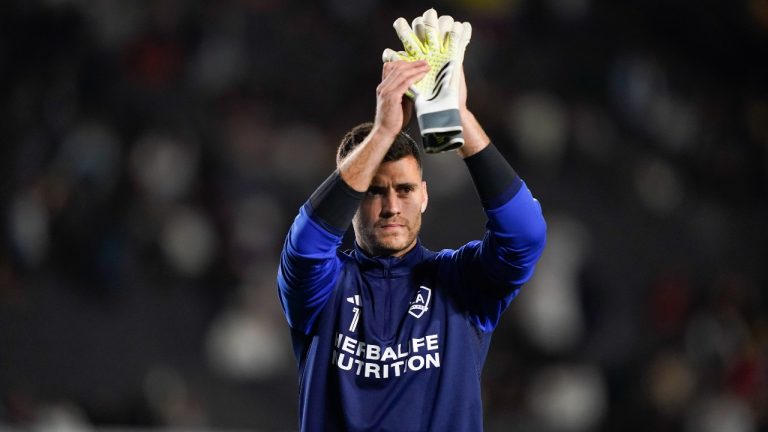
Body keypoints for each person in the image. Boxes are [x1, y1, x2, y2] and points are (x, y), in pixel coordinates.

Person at [277, 57, 547, 431]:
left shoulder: (460, 283)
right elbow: (305, 246)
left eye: (404, 190)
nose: (391, 207)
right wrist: (382, 132)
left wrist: (460, 118)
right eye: (374, 192)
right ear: (352, 200)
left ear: (423, 197)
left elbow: (525, 235)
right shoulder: (324, 289)